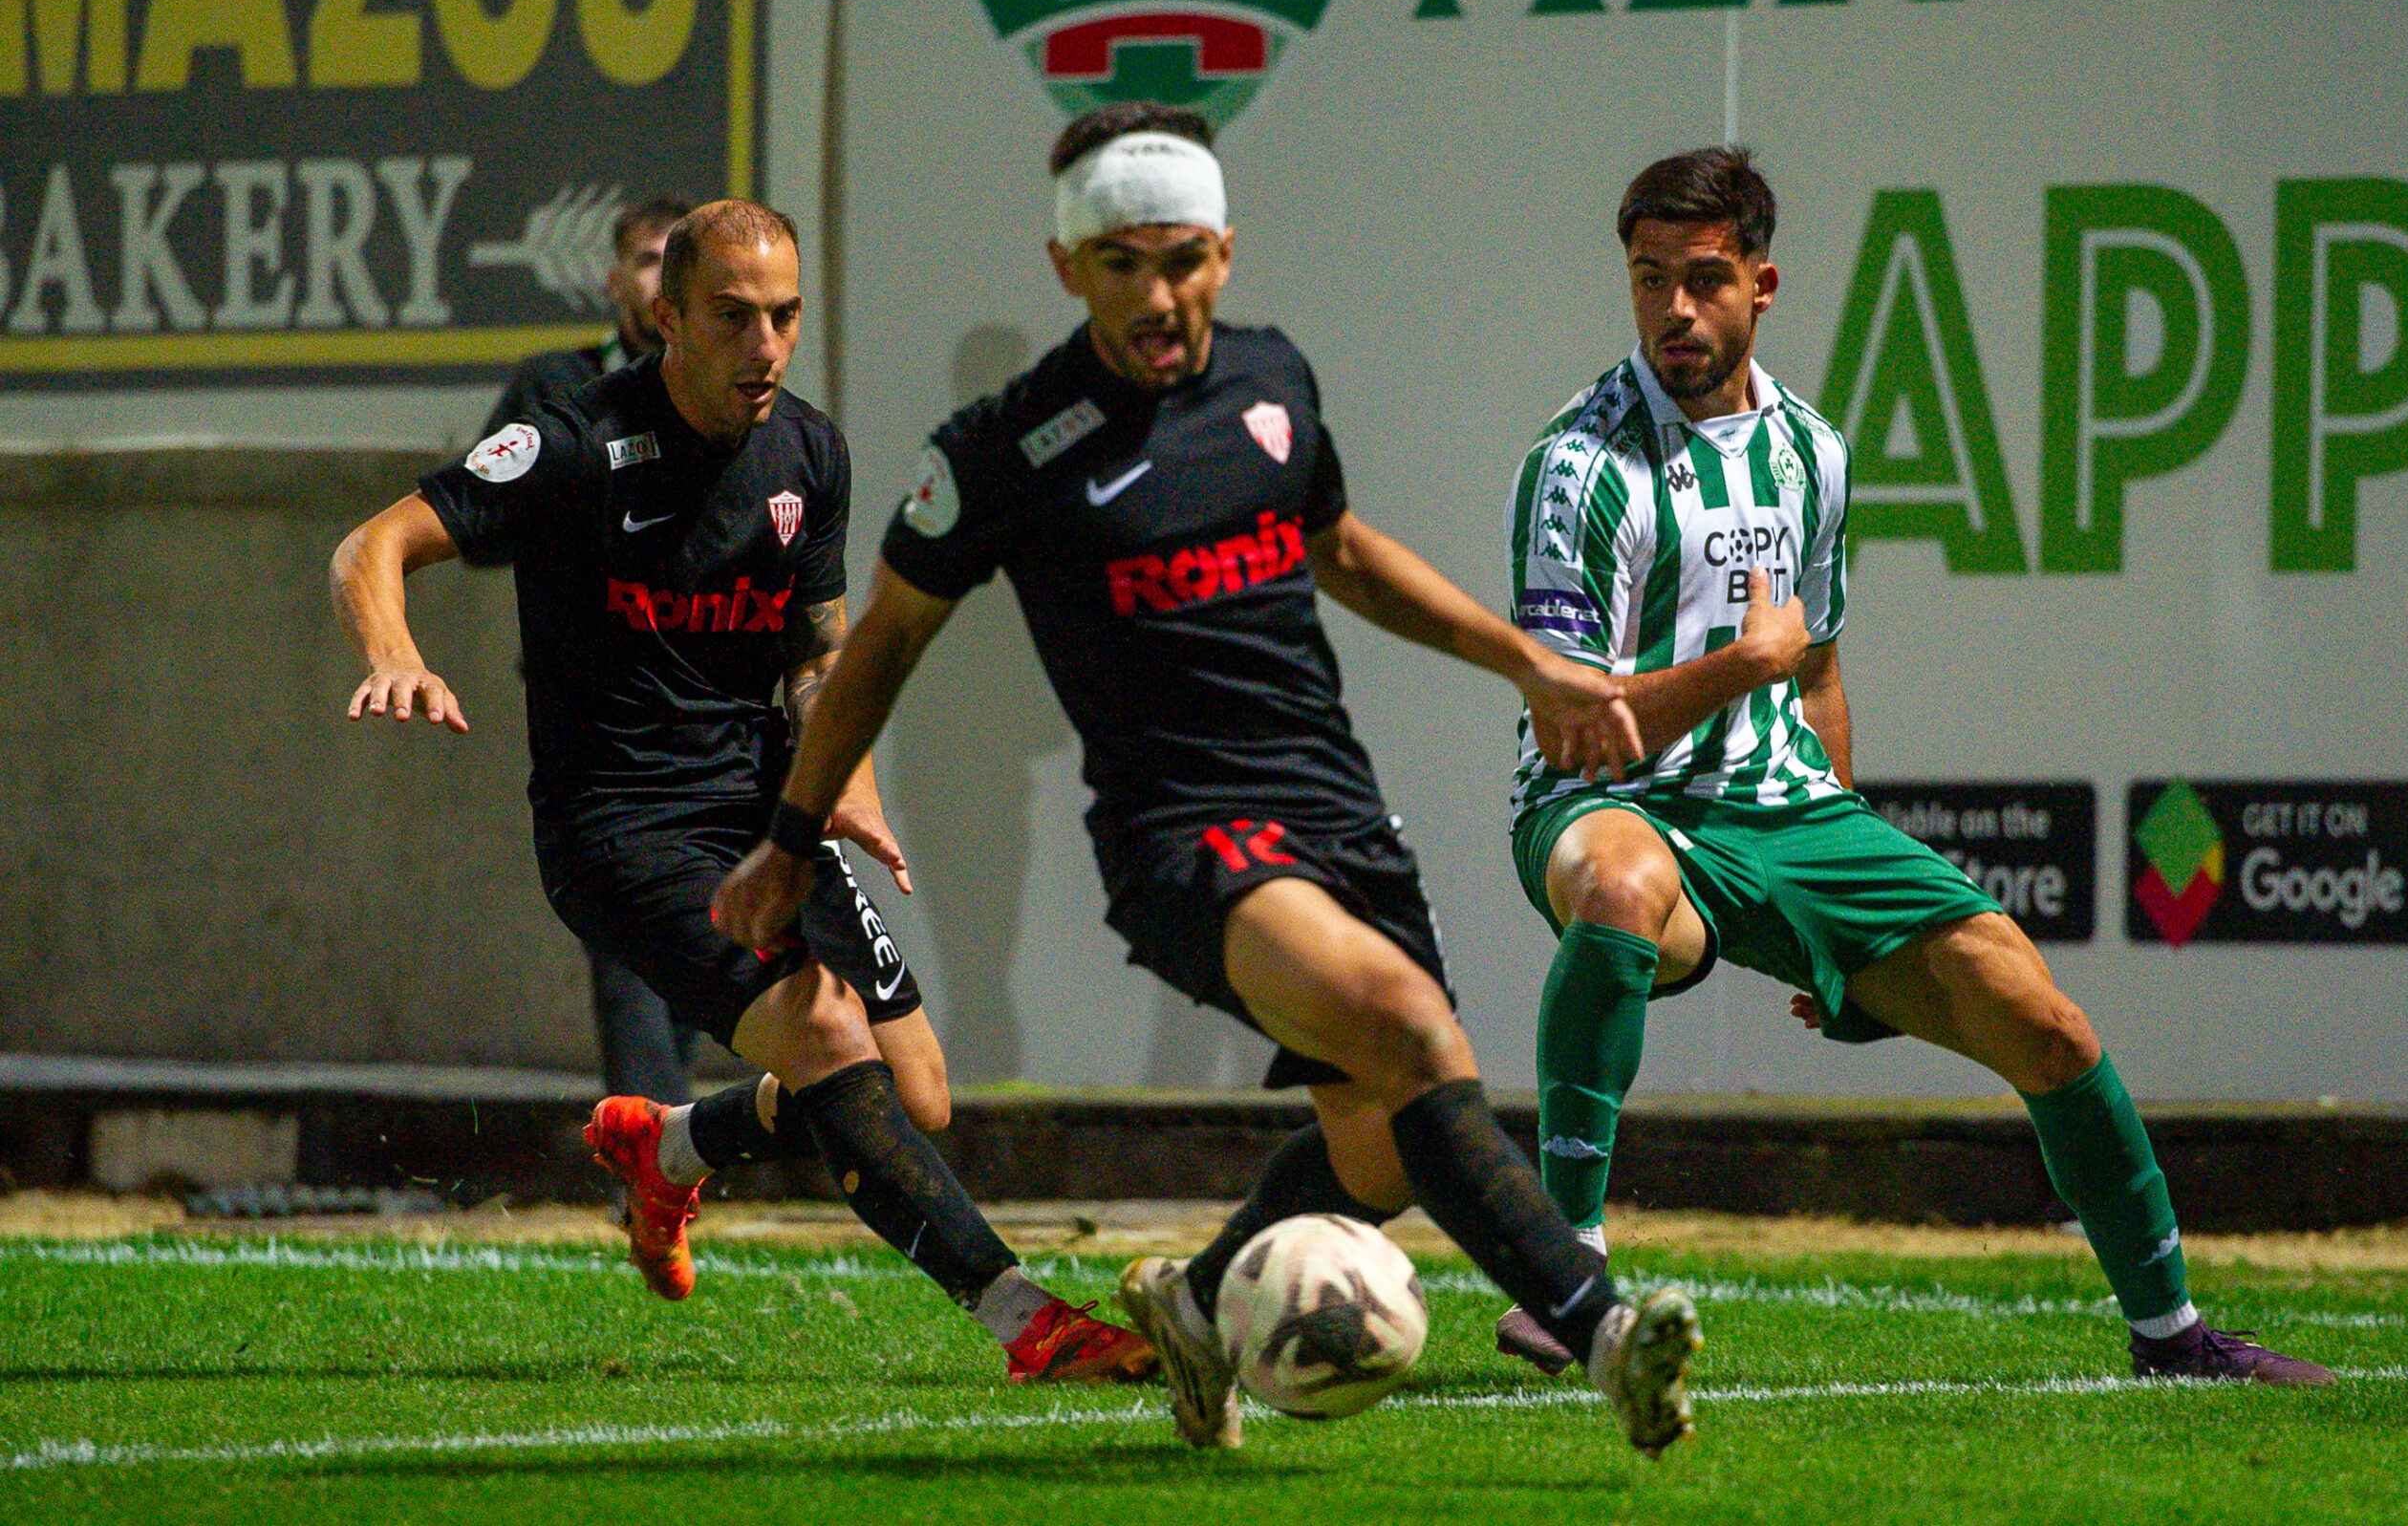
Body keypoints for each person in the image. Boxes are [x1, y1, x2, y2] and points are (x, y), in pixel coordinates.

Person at [710, 102, 1706, 1456]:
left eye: (1182, 261)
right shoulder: (1004, 448)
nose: (1156, 297)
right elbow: (880, 645)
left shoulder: (1271, 381)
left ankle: (1192, 1307)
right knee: (1411, 1030)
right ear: (1068, 269)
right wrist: (790, 837)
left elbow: (1340, 551)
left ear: (1224, 253)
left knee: (1376, 1153)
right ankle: (1604, 1335)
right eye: (1121, 266)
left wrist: (1527, 662)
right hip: (1183, 836)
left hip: (1334, 805)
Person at [1492, 144, 2333, 1387]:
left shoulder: (1811, 455)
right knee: (1619, 888)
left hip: (1788, 816)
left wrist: (1829, 924)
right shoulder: (1576, 466)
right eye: (1648, 278)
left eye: (1704, 279)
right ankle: (1566, 1274)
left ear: (1762, 283)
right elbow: (1574, 726)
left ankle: (2173, 1338)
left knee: (2044, 1023)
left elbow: (1817, 673)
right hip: (1608, 803)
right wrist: (1740, 664)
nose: (1674, 308)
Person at [330, 199, 1153, 1386]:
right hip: (619, 826)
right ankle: (1031, 1322)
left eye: (784, 316)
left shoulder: (808, 454)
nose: (765, 346)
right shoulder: (572, 440)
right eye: (733, 317)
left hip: (768, 814)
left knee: (916, 1094)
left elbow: (817, 657)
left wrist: (844, 785)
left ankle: (673, 1147)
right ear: (667, 317)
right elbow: (372, 545)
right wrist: (395, 653)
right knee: (826, 1036)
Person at [482, 191, 701, 1118]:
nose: (661, 281)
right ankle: (656, 1160)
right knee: (626, 938)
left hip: (712, 705)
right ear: (614, 281)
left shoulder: (734, 394)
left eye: (679, 263)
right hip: (597, 709)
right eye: (648, 260)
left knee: (695, 940)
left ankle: (660, 1142)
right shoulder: (556, 387)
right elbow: (482, 522)